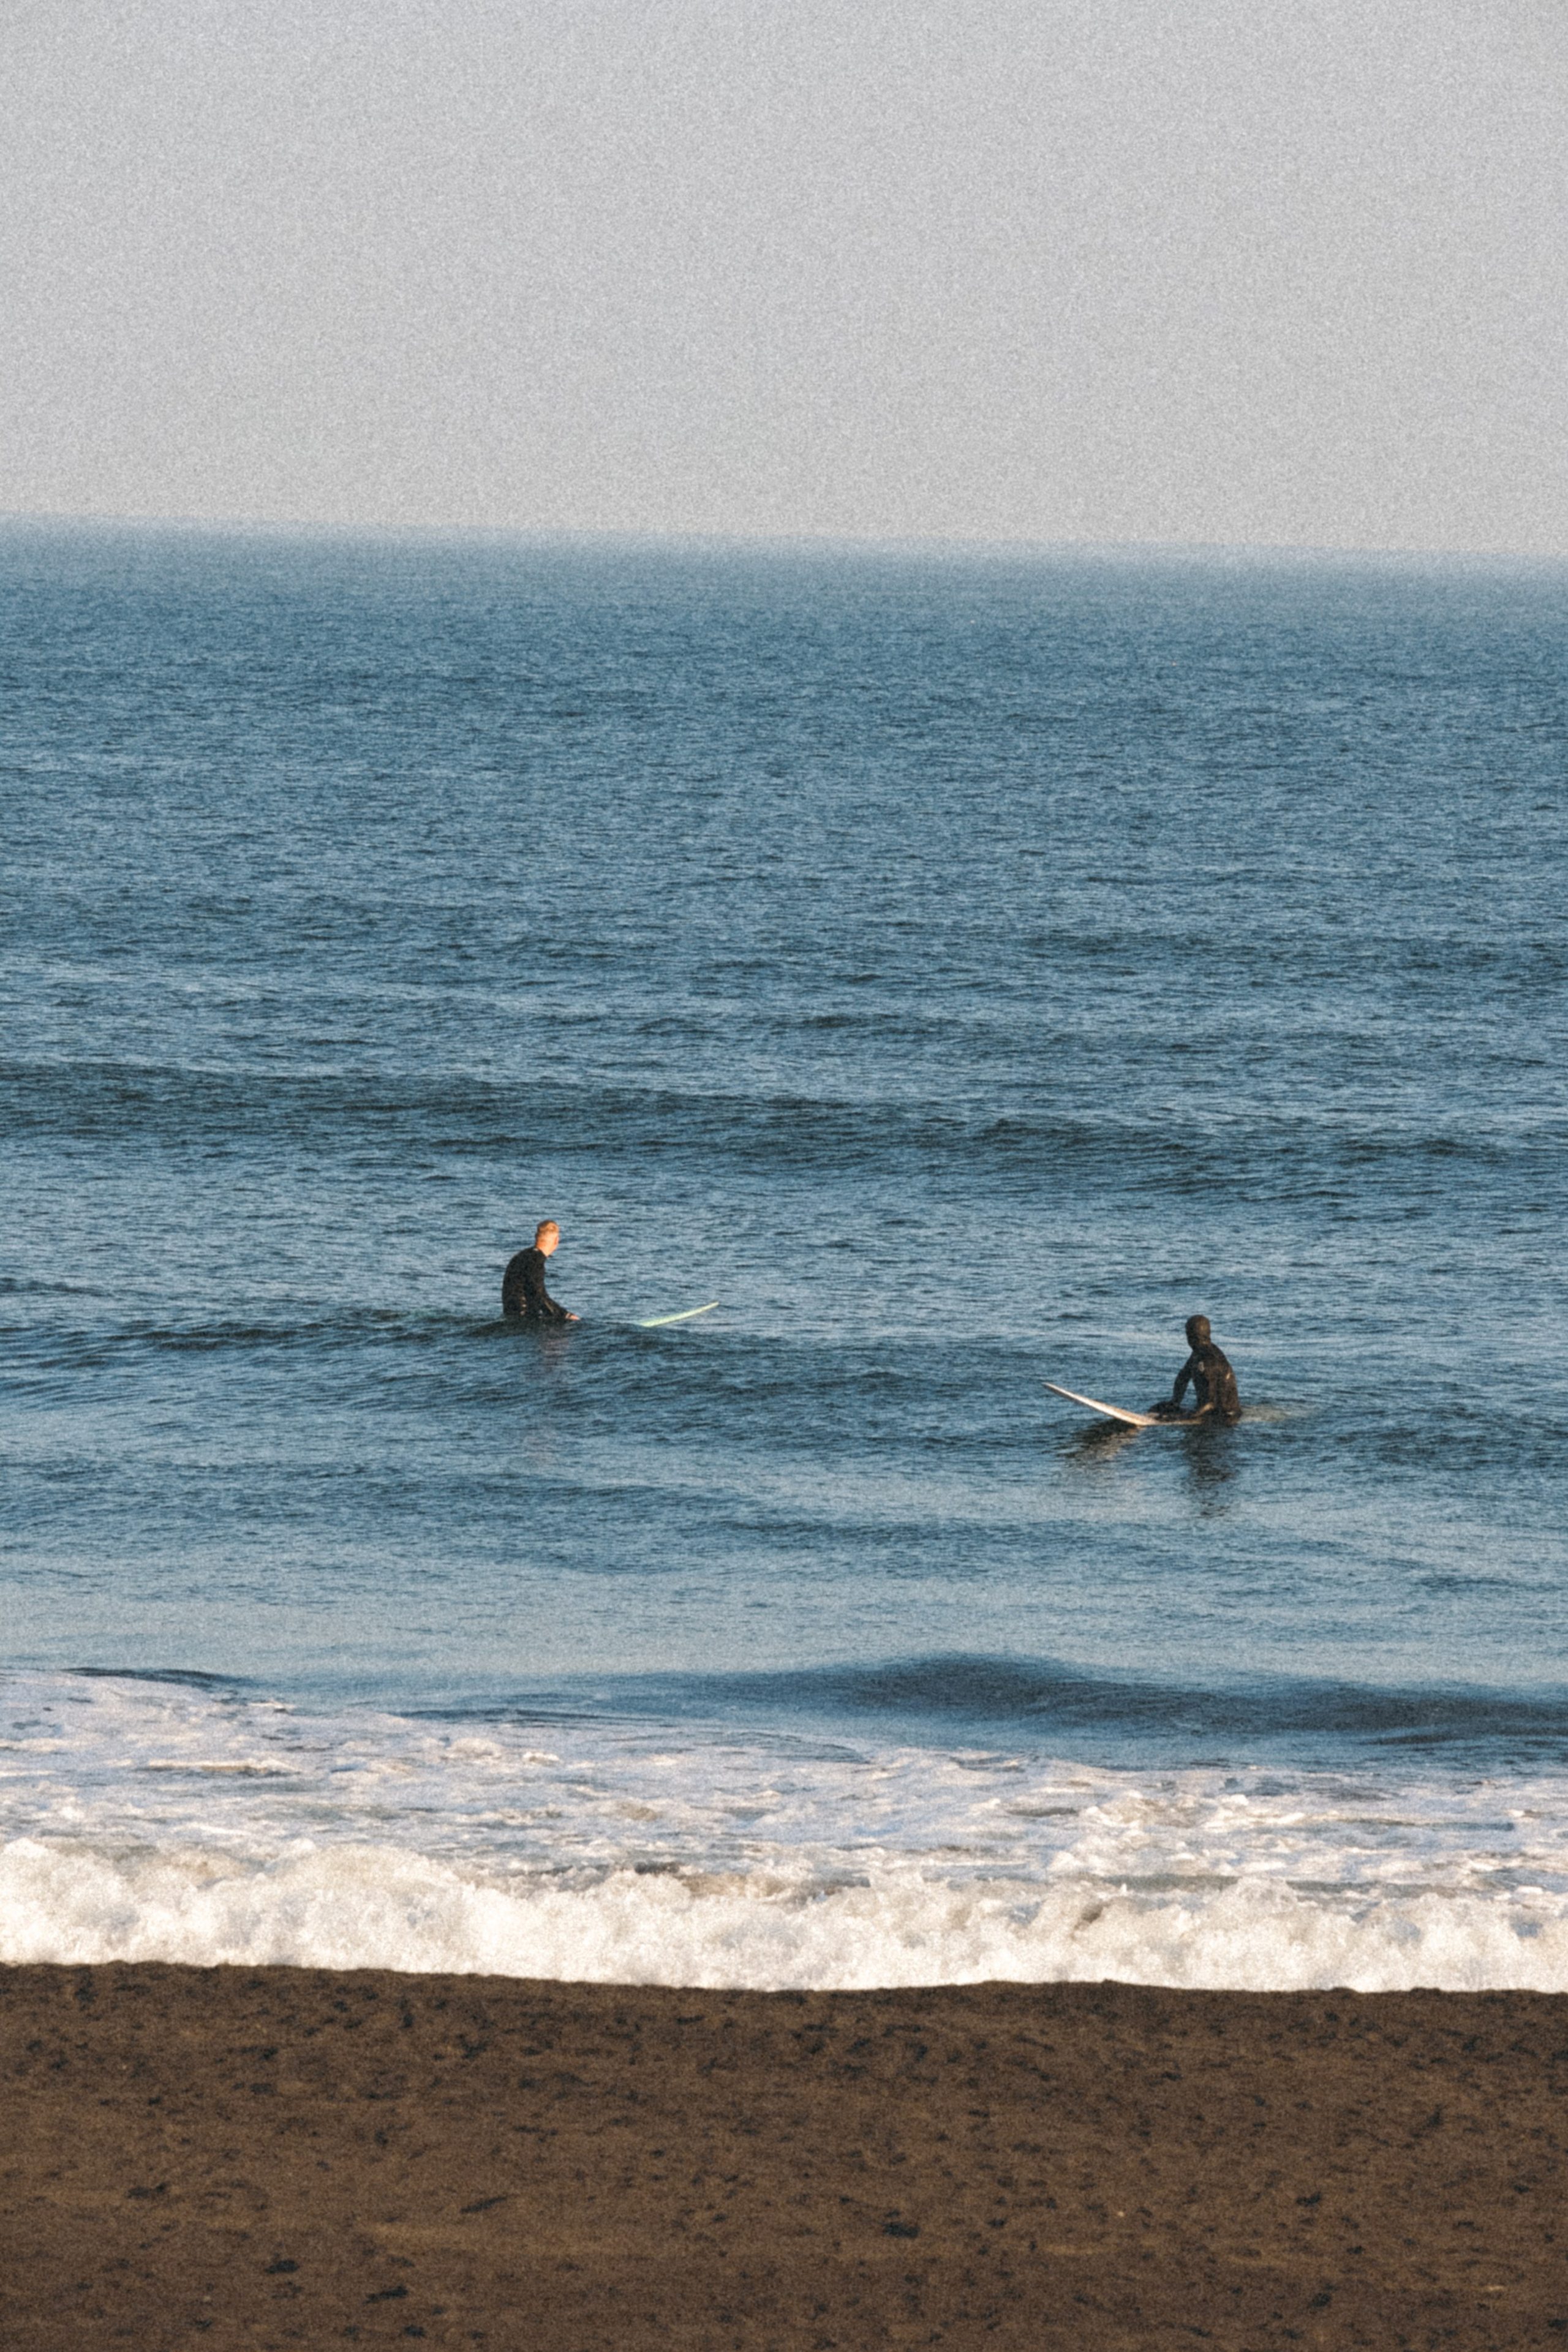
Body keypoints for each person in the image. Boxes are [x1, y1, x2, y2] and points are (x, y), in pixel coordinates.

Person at [1152, 1314, 1240, 1423]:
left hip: (1224, 1416)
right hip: (1208, 1410)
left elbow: (1211, 1403)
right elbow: (1183, 1378)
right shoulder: (1199, 1353)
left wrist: (1180, 1419)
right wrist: (1175, 1402)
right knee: (1157, 1409)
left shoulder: (1209, 1360)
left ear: (1191, 1336)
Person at [502, 1221, 579, 1323]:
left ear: (536, 1237)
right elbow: (538, 1294)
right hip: (524, 1320)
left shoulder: (521, 1256)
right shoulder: (536, 1261)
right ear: (556, 1241)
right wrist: (565, 1315)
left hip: (509, 1315)